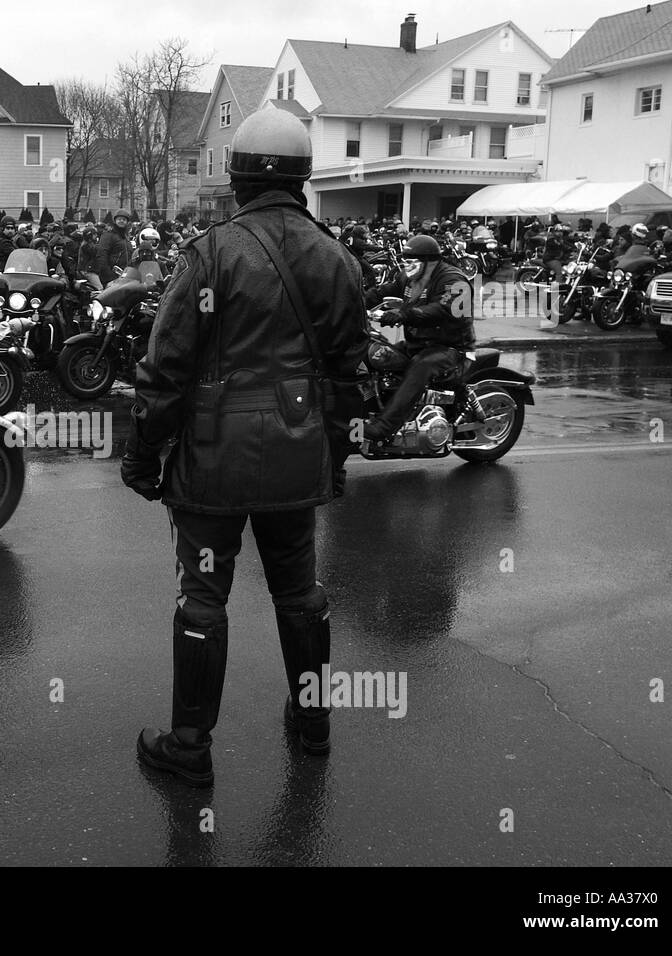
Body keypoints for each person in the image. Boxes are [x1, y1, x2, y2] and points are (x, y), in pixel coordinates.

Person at [123, 106, 369, 786]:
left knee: (203, 595)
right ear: (302, 177)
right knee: (300, 592)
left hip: (213, 461)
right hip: (297, 457)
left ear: (236, 178)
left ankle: (191, 744)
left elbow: (165, 371)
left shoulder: (209, 254)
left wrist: (142, 455)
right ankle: (313, 723)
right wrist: (337, 460)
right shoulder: (338, 259)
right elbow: (350, 380)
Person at [361, 234, 474, 444]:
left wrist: (405, 314)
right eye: (406, 260)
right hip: (417, 344)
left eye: (412, 261)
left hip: (450, 347)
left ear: (430, 261)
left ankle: (384, 427)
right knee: (379, 355)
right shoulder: (409, 277)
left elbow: (444, 308)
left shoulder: (454, 280)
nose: (407, 265)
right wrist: (356, 301)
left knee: (419, 367)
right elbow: (383, 291)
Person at [96, 210, 131, 286]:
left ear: (127, 222)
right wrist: (108, 275)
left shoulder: (126, 237)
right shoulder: (108, 235)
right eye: (119, 219)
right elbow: (102, 255)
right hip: (111, 276)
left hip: (124, 276)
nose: (121, 221)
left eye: (124, 220)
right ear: (115, 221)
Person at [344, 224, 378, 297]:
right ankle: (372, 290)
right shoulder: (358, 241)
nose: (365, 234)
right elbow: (368, 247)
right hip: (356, 258)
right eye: (364, 233)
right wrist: (381, 248)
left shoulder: (351, 238)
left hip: (351, 257)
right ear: (360, 233)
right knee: (370, 271)